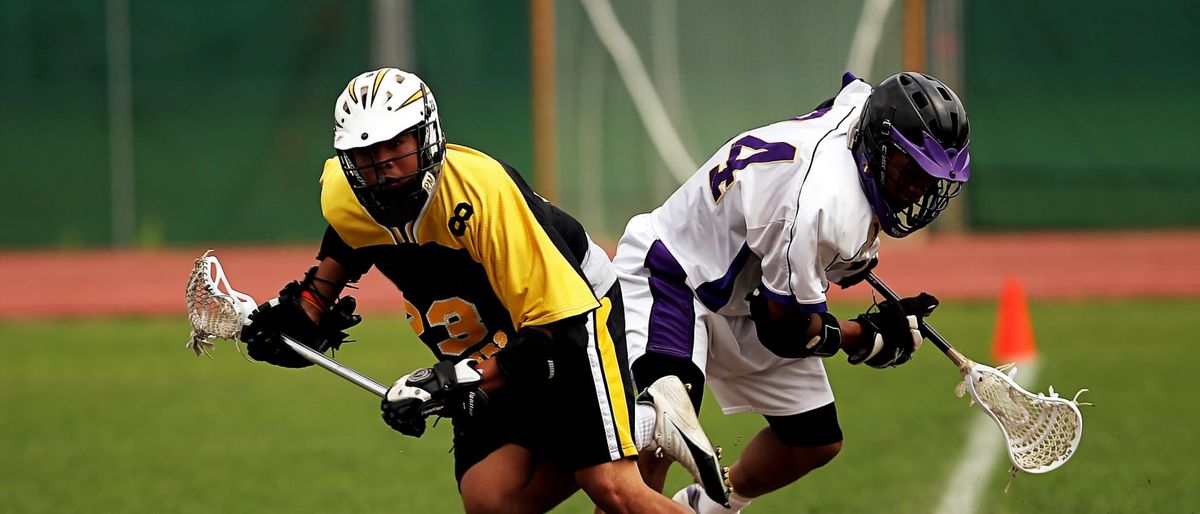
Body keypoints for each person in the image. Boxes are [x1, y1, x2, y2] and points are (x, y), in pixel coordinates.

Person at [237, 67, 730, 513]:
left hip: (573, 314)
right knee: (491, 499)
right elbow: (339, 257)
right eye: (366, 154)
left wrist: (452, 381)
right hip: (488, 338)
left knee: (613, 490)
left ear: (425, 138)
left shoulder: (480, 194)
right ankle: (636, 429)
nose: (382, 164)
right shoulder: (346, 199)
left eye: (395, 146)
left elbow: (553, 328)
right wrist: (301, 314)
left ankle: (638, 427)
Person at [611, 71, 970, 513]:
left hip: (742, 291)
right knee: (658, 447)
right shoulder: (822, 206)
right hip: (675, 276)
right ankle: (590, 432)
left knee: (813, 440)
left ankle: (708, 505)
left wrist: (845, 264)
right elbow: (785, 330)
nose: (918, 189)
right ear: (879, 148)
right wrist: (866, 336)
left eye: (930, 179)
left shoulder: (862, 112)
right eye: (911, 171)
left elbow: (847, 93)